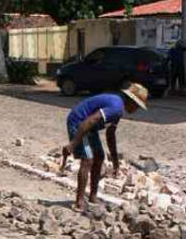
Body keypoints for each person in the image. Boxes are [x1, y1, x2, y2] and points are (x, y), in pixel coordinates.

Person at [61, 83, 149, 212]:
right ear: (131, 101)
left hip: (89, 126)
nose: (137, 110)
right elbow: (90, 120)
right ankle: (79, 201)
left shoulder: (118, 110)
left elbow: (110, 134)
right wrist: (74, 143)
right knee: (88, 159)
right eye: (137, 106)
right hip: (79, 122)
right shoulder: (116, 107)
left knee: (99, 157)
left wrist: (115, 162)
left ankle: (93, 195)